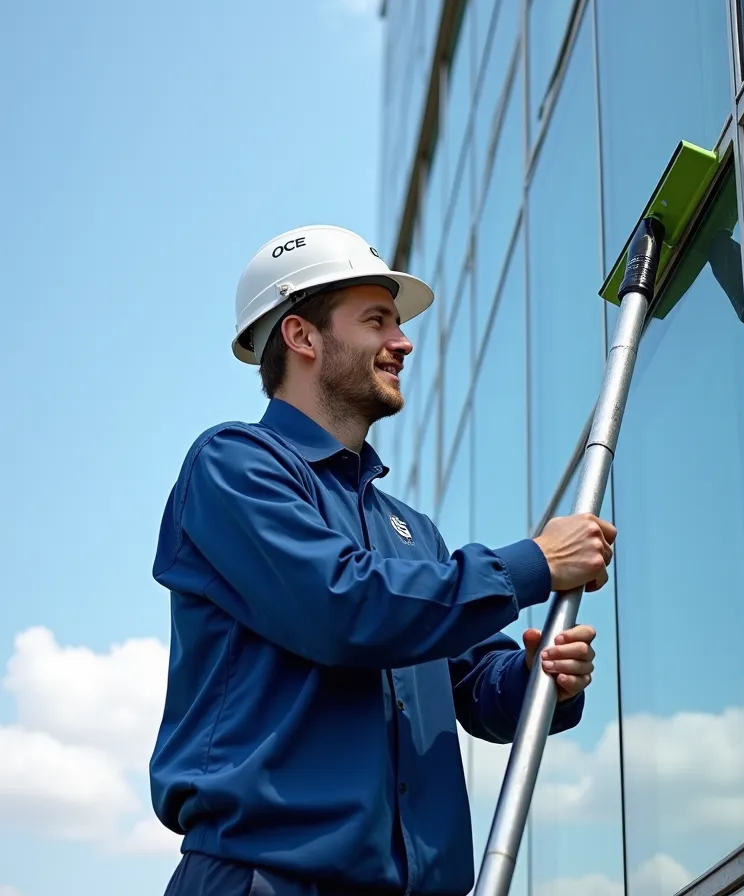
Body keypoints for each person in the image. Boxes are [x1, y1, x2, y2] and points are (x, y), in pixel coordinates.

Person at [148, 225, 617, 896]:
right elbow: (343, 608)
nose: (403, 342)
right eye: (377, 321)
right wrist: (534, 564)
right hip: (266, 880)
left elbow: (479, 690)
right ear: (303, 337)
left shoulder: (410, 532)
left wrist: (540, 678)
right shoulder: (232, 467)